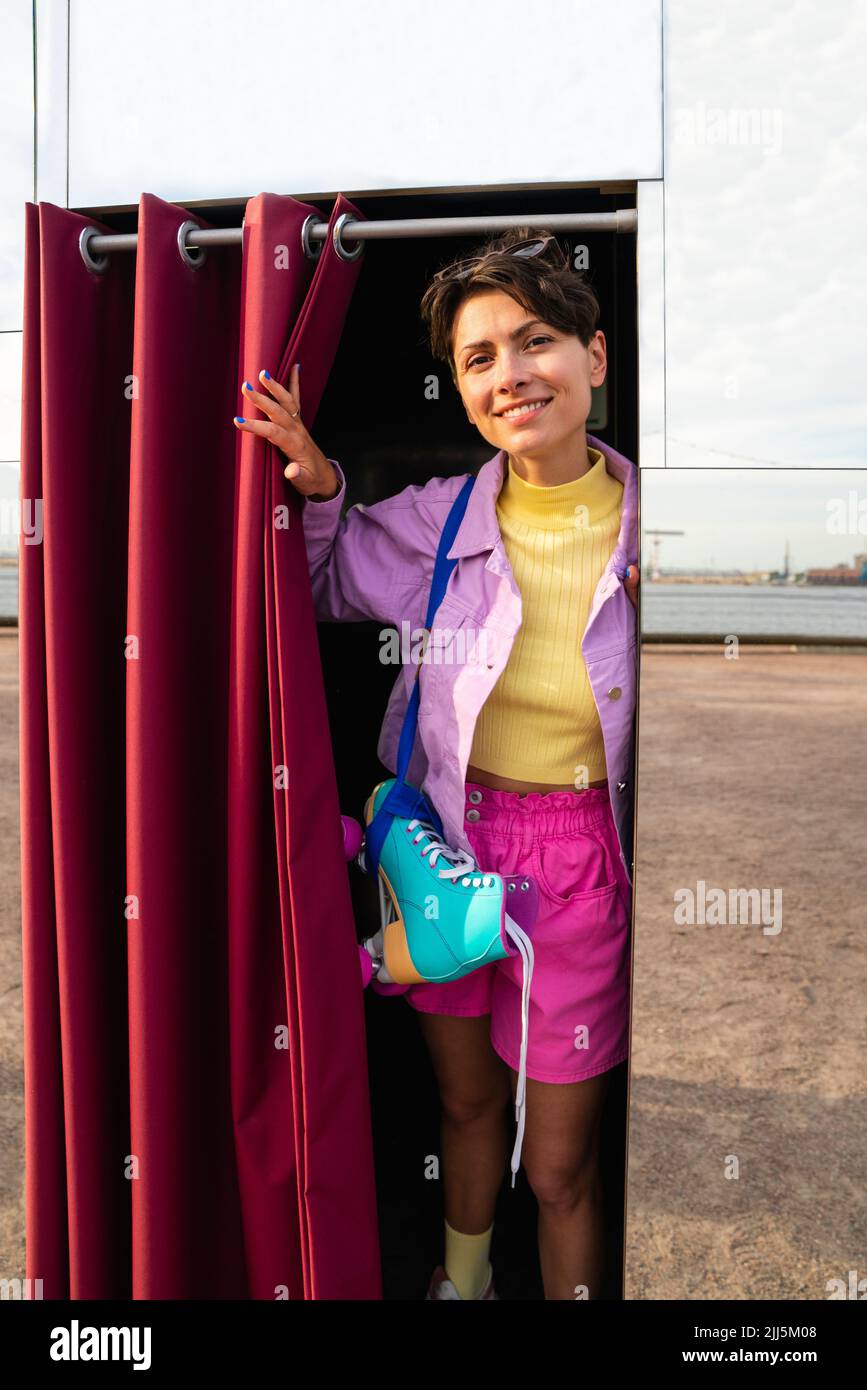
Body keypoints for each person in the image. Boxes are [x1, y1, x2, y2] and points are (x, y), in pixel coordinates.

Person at [233, 227, 639, 1301]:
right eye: (478, 357)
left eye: (535, 340)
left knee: (556, 1166)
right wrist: (319, 485)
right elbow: (313, 586)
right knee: (462, 1110)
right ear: (459, 388)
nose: (510, 374)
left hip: (580, 868)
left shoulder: (664, 534)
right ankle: (460, 1287)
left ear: (596, 357)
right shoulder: (439, 520)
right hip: (442, 855)